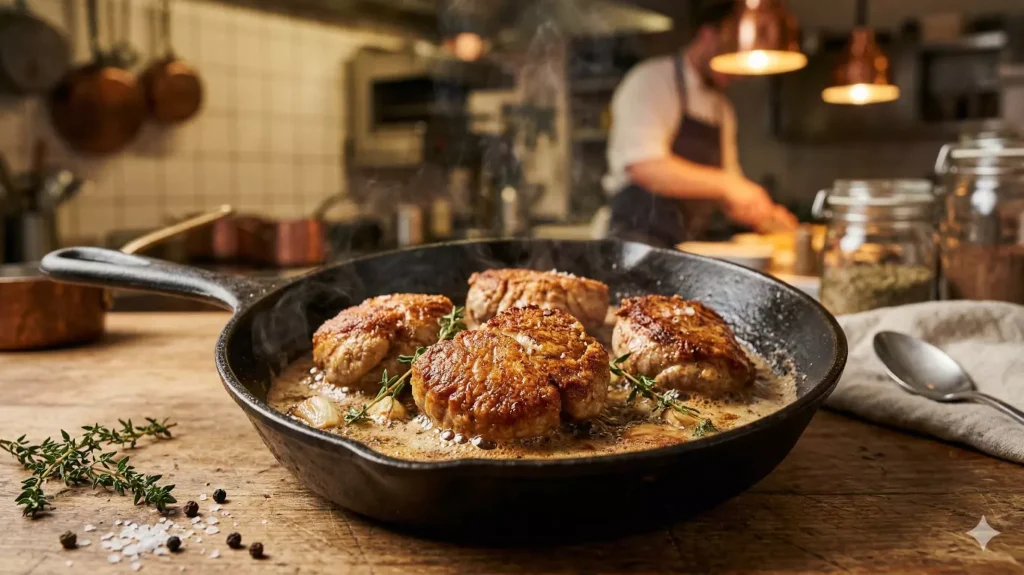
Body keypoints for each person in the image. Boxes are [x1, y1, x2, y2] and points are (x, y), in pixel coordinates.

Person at [603, 1, 797, 248]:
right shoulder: (652, 81)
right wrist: (728, 185)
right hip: (638, 245)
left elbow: (729, 193)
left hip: (688, 245)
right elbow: (644, 167)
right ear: (707, 35)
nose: (739, 74)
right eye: (730, 53)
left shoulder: (721, 108)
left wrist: (766, 213)